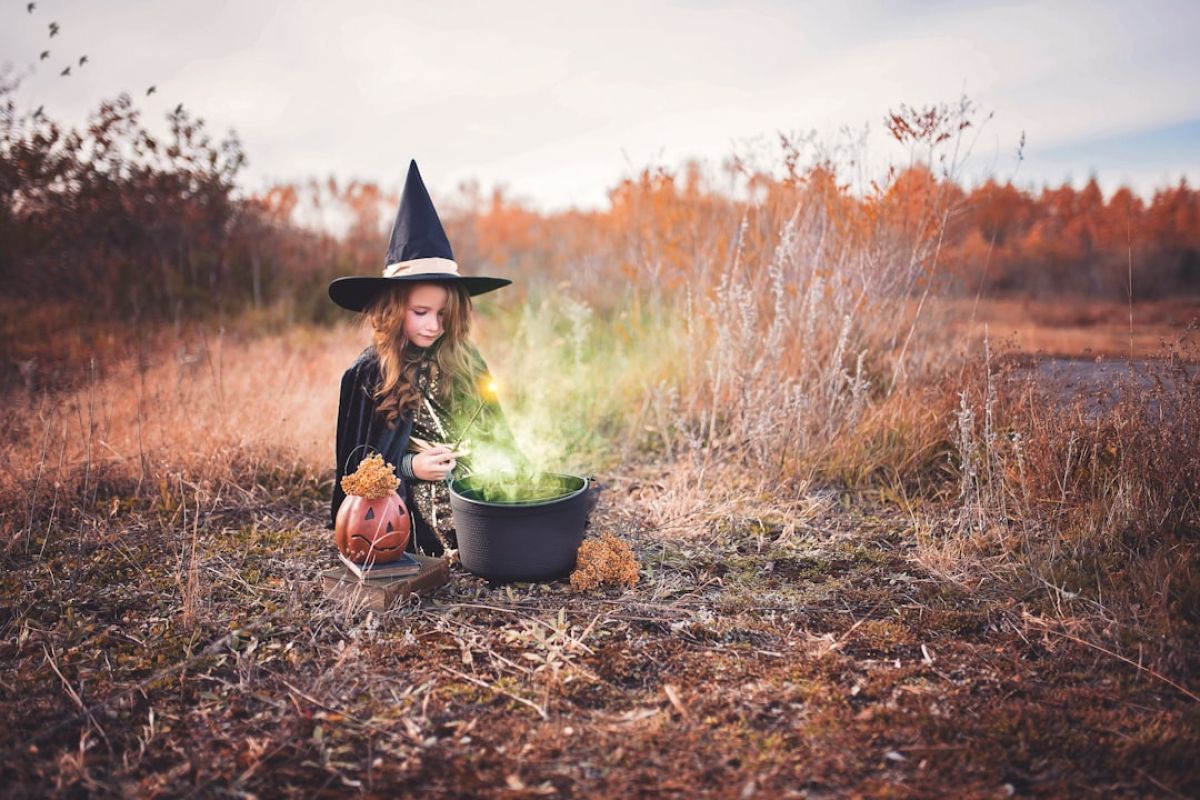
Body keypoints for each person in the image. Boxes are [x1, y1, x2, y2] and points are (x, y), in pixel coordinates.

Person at [328, 161, 518, 556]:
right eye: (420, 313)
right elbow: (356, 471)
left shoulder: (465, 359)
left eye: (443, 314)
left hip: (475, 491)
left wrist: (496, 463)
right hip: (406, 511)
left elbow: (495, 431)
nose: (433, 325)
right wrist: (411, 467)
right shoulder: (368, 374)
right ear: (394, 309)